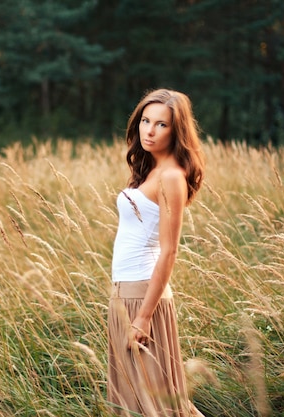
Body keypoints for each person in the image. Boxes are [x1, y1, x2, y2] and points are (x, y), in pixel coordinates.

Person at [108, 89, 205, 417]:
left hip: (143, 295)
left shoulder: (172, 177)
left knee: (157, 404)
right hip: (124, 293)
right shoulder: (149, 170)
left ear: (176, 131)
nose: (149, 130)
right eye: (145, 121)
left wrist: (145, 316)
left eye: (161, 124)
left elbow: (169, 251)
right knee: (133, 399)